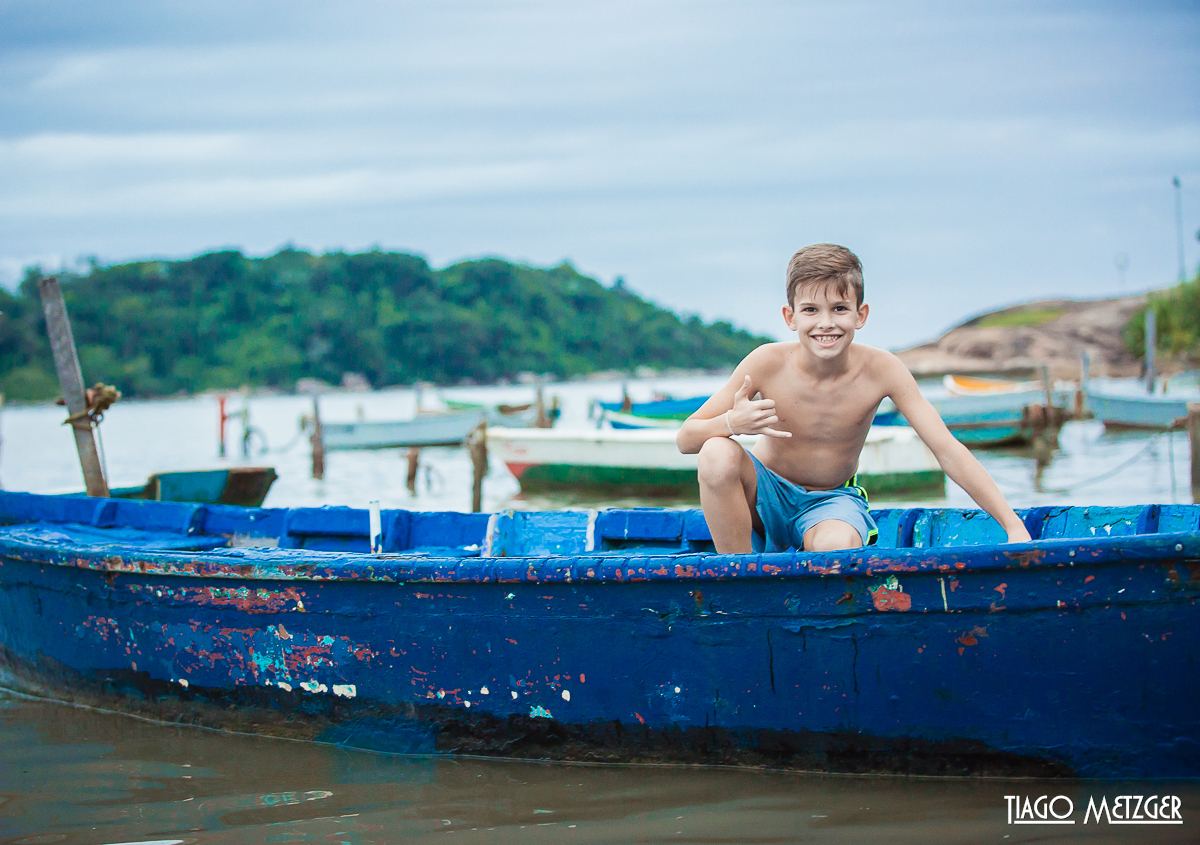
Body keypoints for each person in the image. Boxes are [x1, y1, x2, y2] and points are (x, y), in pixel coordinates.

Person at [676, 243, 1032, 554]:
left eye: (840, 309)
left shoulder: (883, 370)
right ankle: (740, 580)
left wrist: (1012, 525)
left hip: (830, 501)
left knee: (834, 547)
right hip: (765, 495)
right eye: (811, 310)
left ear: (860, 315)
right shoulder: (765, 363)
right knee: (716, 451)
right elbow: (686, 439)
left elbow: (946, 448)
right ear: (791, 317)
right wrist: (731, 424)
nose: (826, 323)